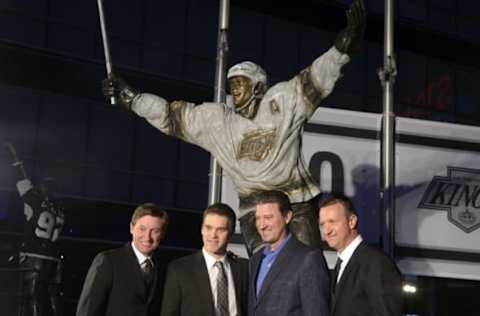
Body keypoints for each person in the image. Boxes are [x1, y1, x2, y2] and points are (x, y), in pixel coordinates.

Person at [102, 0, 367, 254]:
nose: (235, 90)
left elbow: (319, 75)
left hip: (295, 200)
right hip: (254, 206)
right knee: (266, 269)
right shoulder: (218, 122)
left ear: (258, 87)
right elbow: (170, 115)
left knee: (308, 263)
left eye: (241, 84)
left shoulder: (283, 101)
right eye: (232, 85)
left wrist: (343, 47)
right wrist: (133, 98)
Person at [76, 203, 168, 316]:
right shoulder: (108, 261)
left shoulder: (165, 268)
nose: (147, 237)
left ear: (162, 234)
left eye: (155, 231)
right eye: (142, 229)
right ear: (131, 228)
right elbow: (87, 311)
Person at [318, 193, 403, 316]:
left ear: (352, 221)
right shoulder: (340, 265)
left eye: (332, 222)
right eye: (322, 224)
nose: (327, 230)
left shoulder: (376, 264)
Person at [5, 142, 64, 316]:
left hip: (33, 254)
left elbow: (21, 178)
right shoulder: (59, 208)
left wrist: (15, 158)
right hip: (53, 258)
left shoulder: (34, 199)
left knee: (30, 296)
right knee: (52, 296)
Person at [249, 190, 330, 316]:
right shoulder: (255, 260)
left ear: (287, 217)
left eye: (268, 218)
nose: (262, 225)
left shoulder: (308, 259)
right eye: (258, 218)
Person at [161, 203, 249, 316]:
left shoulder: (244, 268)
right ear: (202, 229)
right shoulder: (180, 269)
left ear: (231, 233)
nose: (213, 235)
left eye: (220, 230)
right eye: (208, 228)